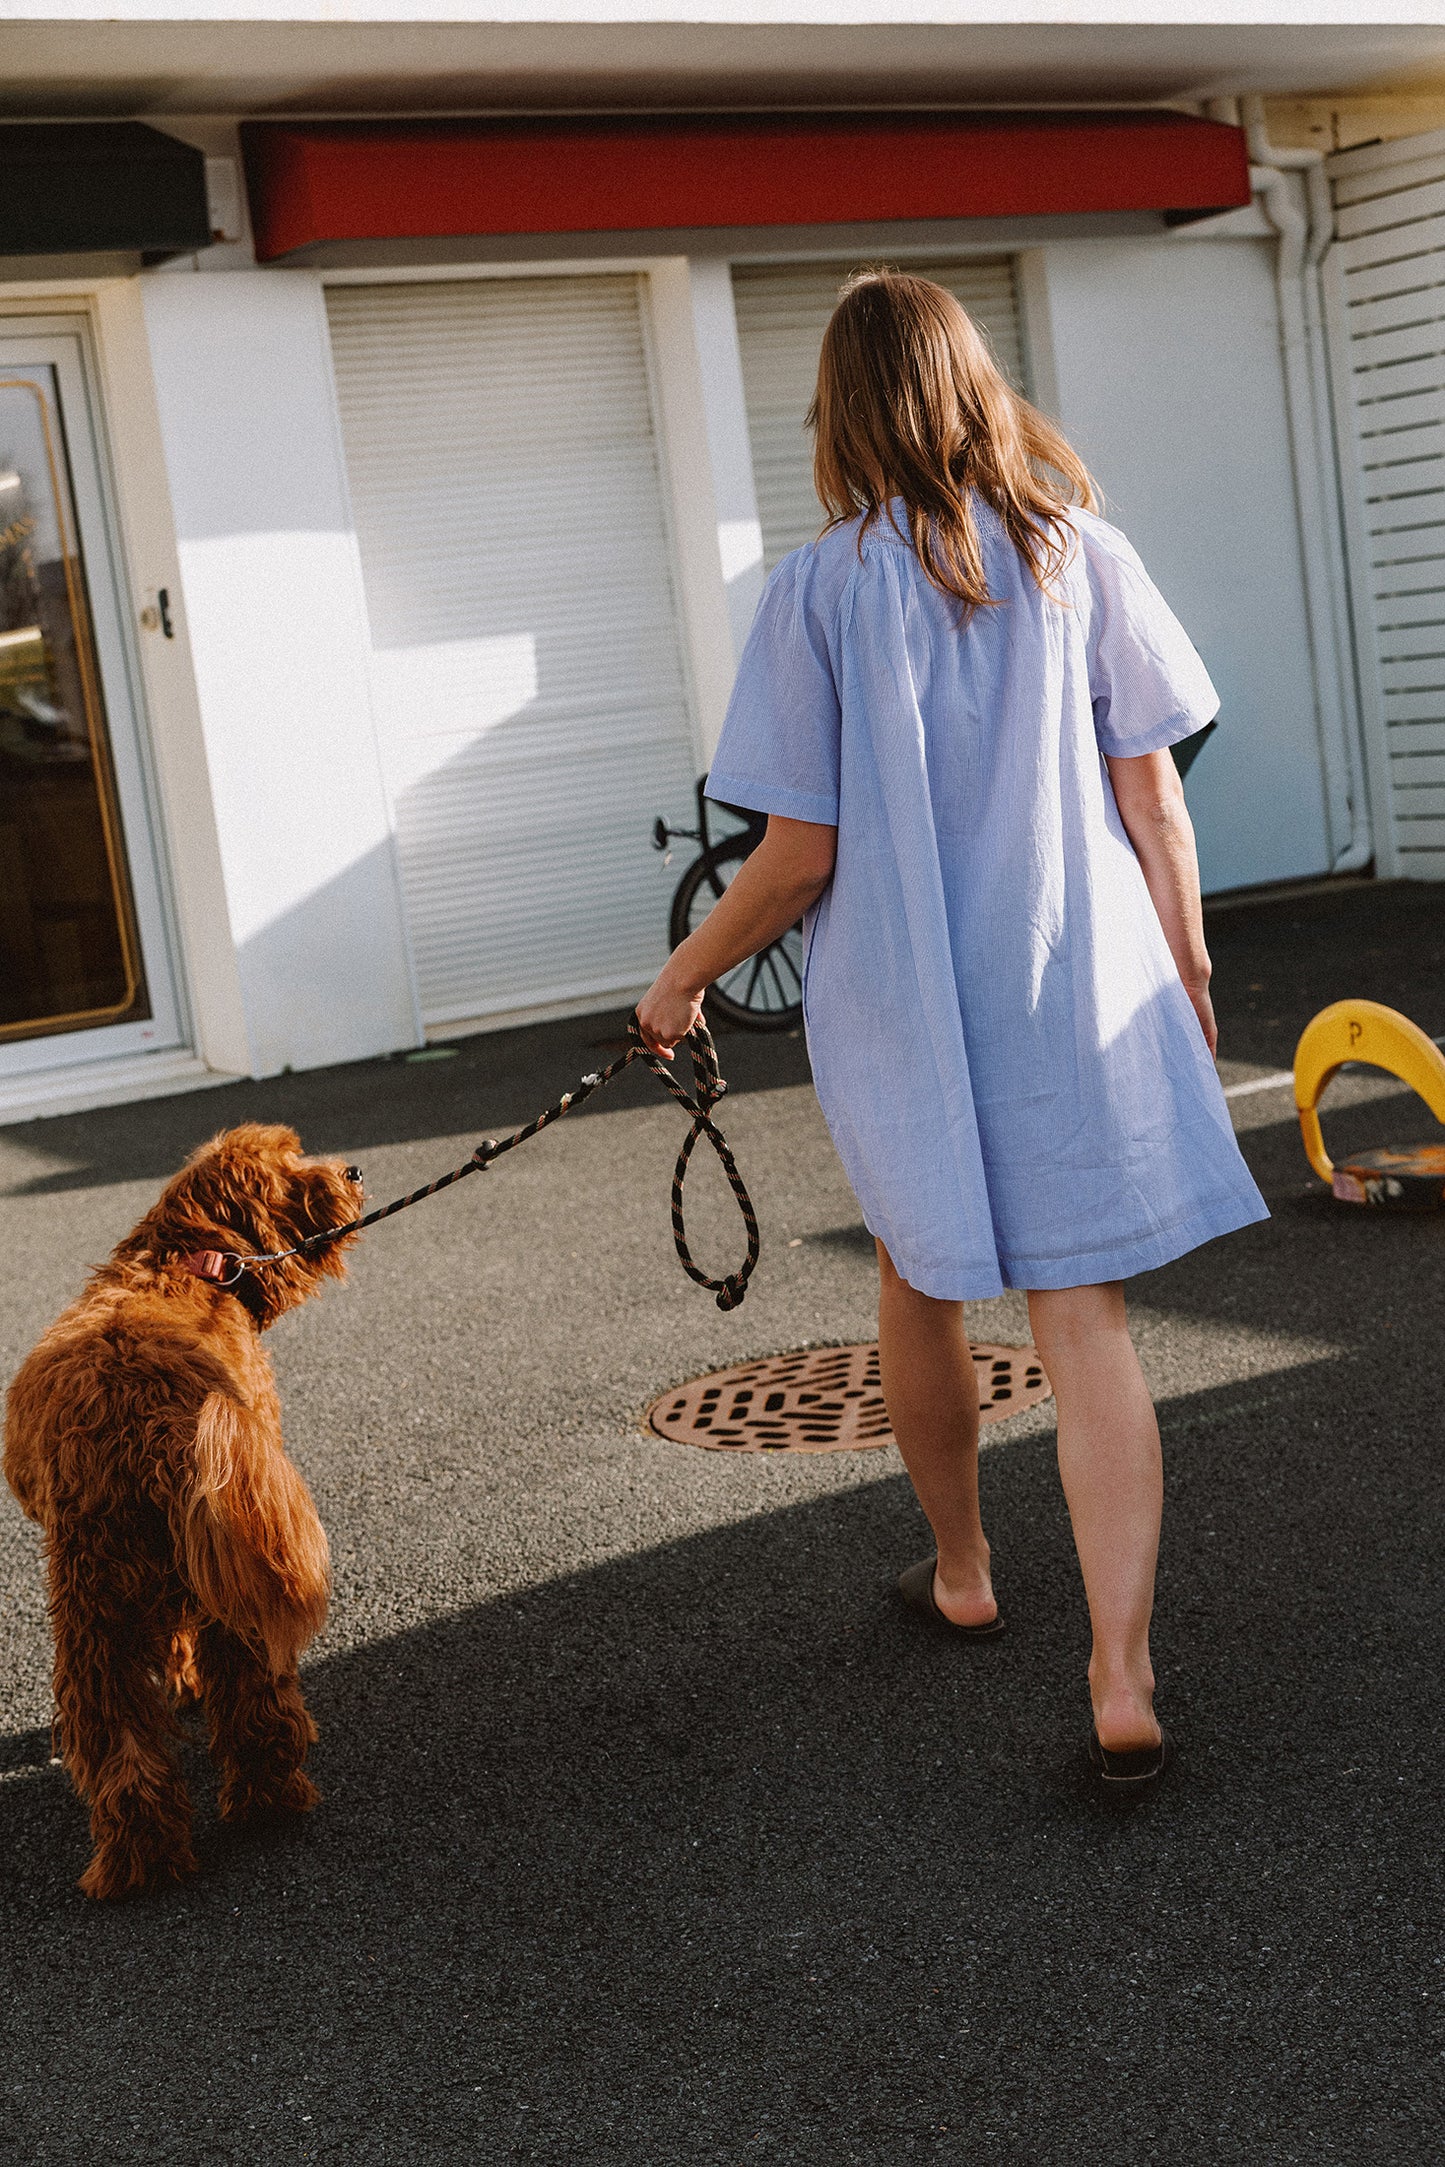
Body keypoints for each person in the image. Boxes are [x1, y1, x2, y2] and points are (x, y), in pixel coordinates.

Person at [636, 270, 1267, 1796]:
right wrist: (1185, 972)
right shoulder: (1078, 552)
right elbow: (1154, 797)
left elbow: (796, 858)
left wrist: (680, 980)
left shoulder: (815, 591)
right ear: (976, 386)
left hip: (904, 1001)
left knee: (918, 1277)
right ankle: (1121, 1672)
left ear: (839, 412)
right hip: (1073, 980)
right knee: (1083, 1319)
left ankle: (965, 1570)